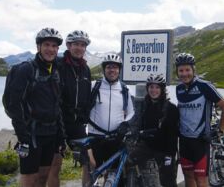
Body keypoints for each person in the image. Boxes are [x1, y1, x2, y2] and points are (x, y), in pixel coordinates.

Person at [8, 27, 65, 187]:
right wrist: (22, 136)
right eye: (46, 45)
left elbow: (57, 105)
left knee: (43, 176)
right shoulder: (26, 69)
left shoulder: (55, 71)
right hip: (31, 134)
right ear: (38, 47)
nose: (50, 49)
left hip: (50, 133)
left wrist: (60, 135)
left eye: (54, 46)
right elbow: (14, 105)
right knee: (29, 178)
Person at [175, 53, 224, 187]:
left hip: (200, 142)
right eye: (181, 70)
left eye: (187, 70)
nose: (184, 74)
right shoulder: (179, 89)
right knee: (188, 176)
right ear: (177, 72)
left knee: (201, 180)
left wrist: (221, 130)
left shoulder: (204, 86)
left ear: (193, 70)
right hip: (183, 140)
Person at [47, 30, 92, 187]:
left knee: (89, 162)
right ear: (68, 45)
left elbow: (87, 96)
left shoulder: (86, 69)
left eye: (82, 45)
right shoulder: (57, 65)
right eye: (76, 44)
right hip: (57, 123)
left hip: (77, 124)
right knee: (55, 165)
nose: (79, 48)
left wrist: (85, 116)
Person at [86, 53, 135, 186]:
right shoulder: (93, 86)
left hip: (115, 137)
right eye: (109, 67)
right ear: (104, 69)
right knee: (91, 172)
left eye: (115, 67)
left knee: (114, 174)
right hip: (95, 136)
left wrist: (125, 124)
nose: (112, 70)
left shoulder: (125, 89)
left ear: (119, 70)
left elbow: (131, 112)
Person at [136, 73, 179, 187]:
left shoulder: (171, 108)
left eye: (157, 87)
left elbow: (173, 136)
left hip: (164, 150)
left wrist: (170, 155)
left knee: (168, 180)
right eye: (151, 87)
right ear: (147, 88)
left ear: (162, 89)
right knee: (129, 161)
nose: (153, 90)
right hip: (148, 146)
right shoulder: (145, 105)